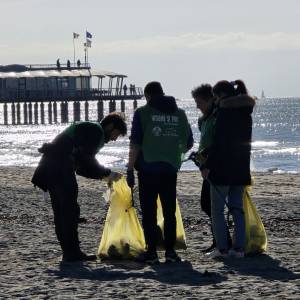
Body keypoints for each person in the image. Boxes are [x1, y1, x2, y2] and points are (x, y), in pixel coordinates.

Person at [31, 114, 127, 262]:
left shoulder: (90, 131)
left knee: (61, 212)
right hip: (60, 168)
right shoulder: (95, 131)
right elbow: (86, 159)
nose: (115, 138)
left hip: (49, 169)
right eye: (117, 134)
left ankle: (68, 252)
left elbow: (82, 168)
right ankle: (72, 252)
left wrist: (105, 176)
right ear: (110, 126)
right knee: (69, 211)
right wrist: (107, 173)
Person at [126, 81, 193, 264]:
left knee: (149, 212)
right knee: (169, 211)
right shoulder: (180, 114)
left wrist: (130, 168)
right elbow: (188, 143)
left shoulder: (142, 113)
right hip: (170, 170)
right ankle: (170, 252)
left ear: (148, 96)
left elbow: (135, 143)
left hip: (147, 169)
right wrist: (174, 155)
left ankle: (152, 251)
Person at [201, 80, 255, 259]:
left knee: (217, 210)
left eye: (215, 97)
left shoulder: (224, 112)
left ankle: (222, 249)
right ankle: (239, 249)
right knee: (237, 209)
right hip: (241, 167)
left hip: (222, 168)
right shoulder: (246, 111)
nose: (214, 100)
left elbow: (220, 142)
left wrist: (206, 163)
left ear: (221, 95)